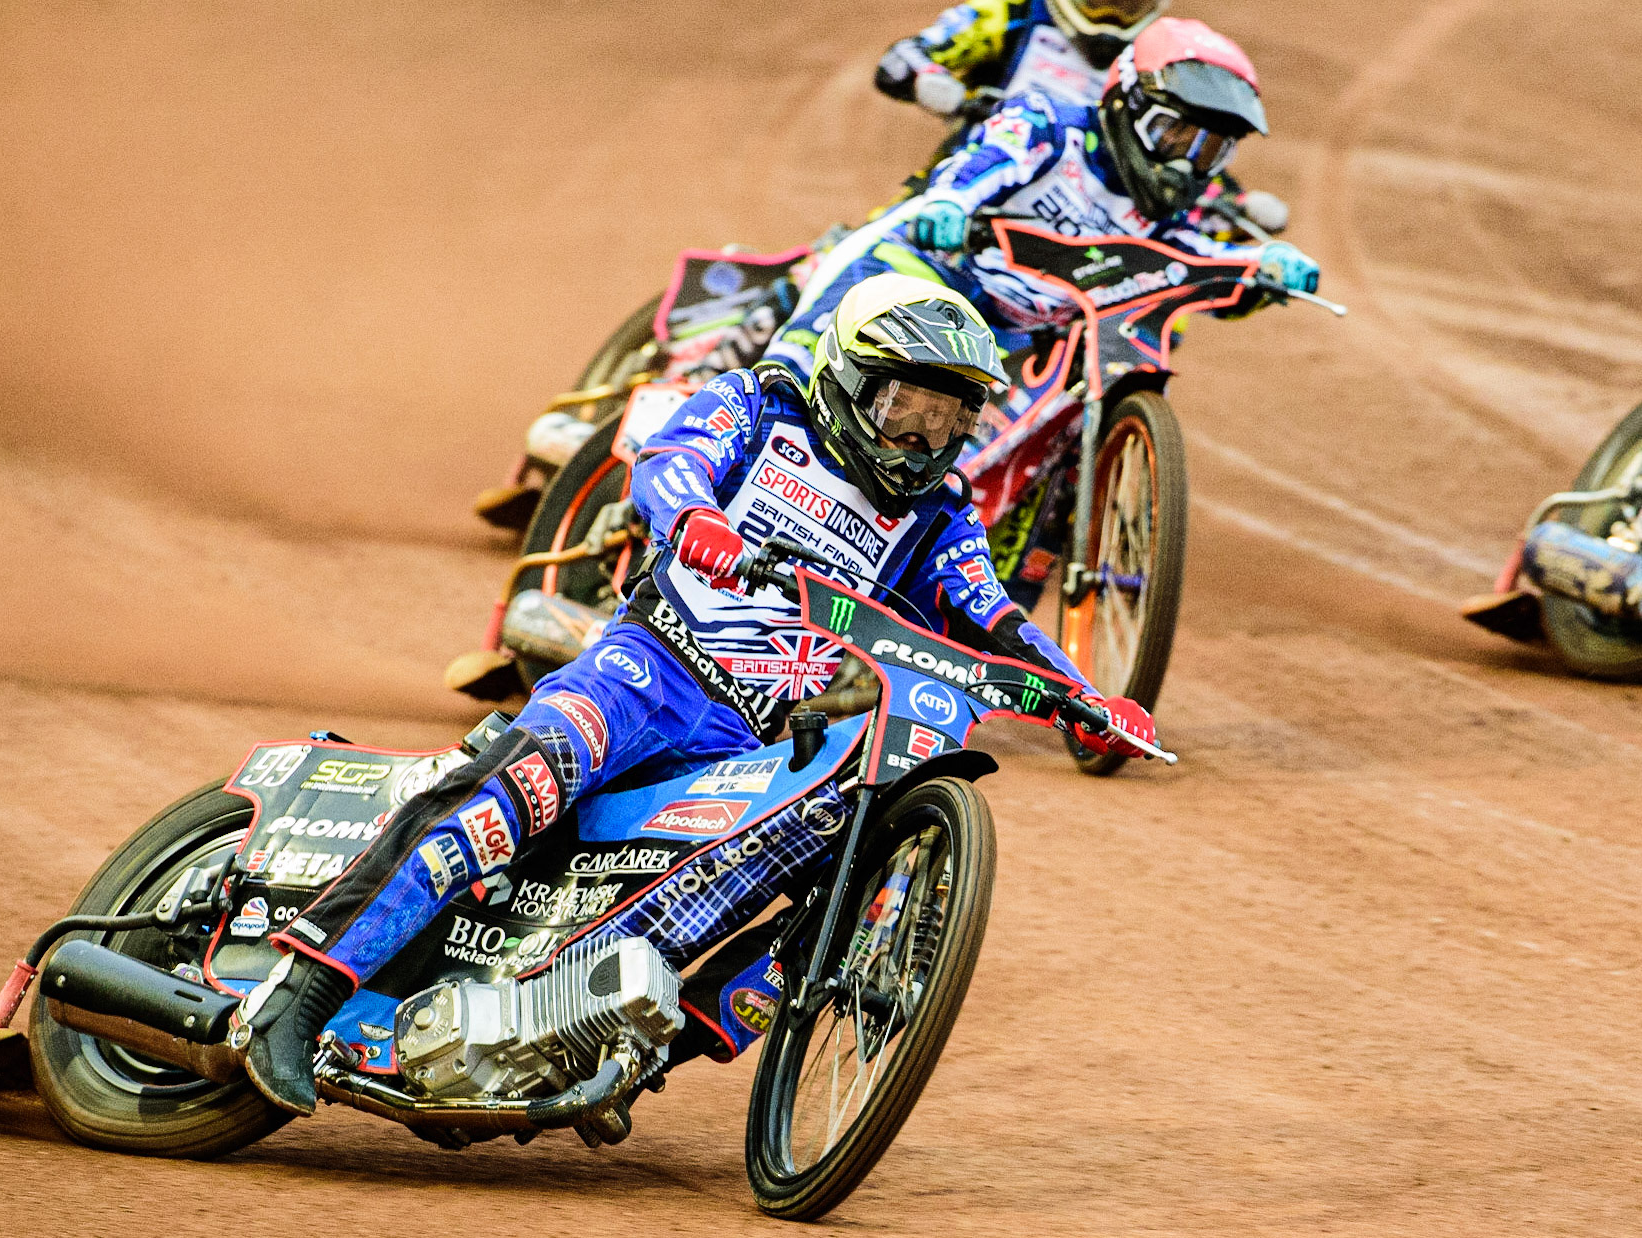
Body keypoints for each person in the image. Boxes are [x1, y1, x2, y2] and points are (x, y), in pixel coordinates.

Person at [231, 275, 1157, 1115]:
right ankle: (301, 996)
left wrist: (1084, 697)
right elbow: (666, 462)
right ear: (848, 377)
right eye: (906, 409)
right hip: (645, 672)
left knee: (821, 857)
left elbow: (991, 615)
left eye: (951, 422)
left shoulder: (940, 515)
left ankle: (634, 1054)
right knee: (521, 785)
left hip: (749, 740)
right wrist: (699, 524)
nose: (926, 441)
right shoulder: (761, 403)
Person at [768, 18, 1321, 385]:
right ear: (1129, 104)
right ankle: (758, 399)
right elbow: (989, 160)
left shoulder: (1171, 214)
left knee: (1107, 367)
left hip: (1034, 338)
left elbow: (1190, 262)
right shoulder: (1050, 125)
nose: (1185, 163)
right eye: (1176, 135)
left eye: (1211, 150)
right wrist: (953, 204)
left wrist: (1260, 269)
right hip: (951, 280)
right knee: (871, 280)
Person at [872, 0, 1288, 236]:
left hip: (1097, 218)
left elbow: (1184, 145)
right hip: (974, 182)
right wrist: (930, 80)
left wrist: (1235, 205)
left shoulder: (1163, 58)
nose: (1113, 13)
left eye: (1129, 2)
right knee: (857, 256)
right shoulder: (1011, 14)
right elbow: (901, 60)